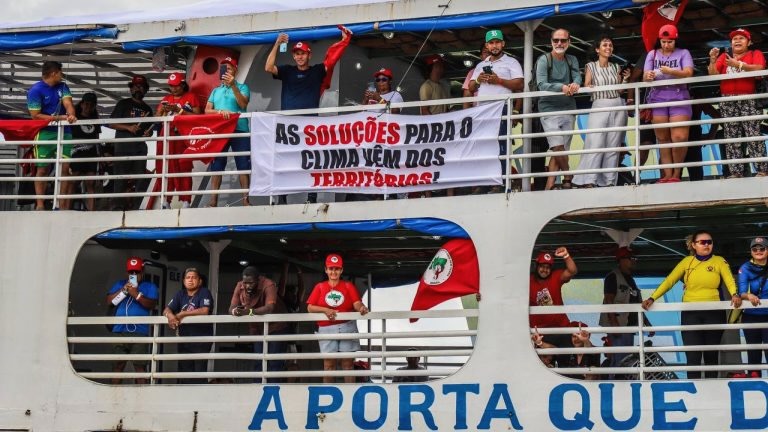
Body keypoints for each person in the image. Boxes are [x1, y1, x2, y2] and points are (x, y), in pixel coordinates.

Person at [642, 230, 742, 379]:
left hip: (714, 312)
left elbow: (729, 279)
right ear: (694, 245)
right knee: (693, 355)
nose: (706, 245)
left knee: (711, 355)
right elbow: (670, 281)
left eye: (709, 242)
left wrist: (734, 294)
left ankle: (711, 387)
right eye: (702, 242)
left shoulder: (719, 261)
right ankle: (693, 388)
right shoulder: (686, 262)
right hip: (690, 313)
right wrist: (652, 298)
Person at [707, 28, 768, 178]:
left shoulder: (755, 54)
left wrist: (738, 65)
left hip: (748, 98)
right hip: (728, 100)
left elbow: (760, 68)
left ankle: (762, 170)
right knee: (731, 136)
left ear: (749, 42)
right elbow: (713, 74)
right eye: (735, 39)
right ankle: (736, 172)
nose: (737, 41)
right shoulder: (725, 56)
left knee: (753, 134)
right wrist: (713, 60)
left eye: (741, 38)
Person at [468, 29, 525, 186]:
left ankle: (501, 183)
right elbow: (471, 88)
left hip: (502, 108)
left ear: (503, 44)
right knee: (483, 147)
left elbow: (520, 84)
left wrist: (499, 81)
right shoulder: (481, 65)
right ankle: (485, 183)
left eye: (497, 42)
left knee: (501, 146)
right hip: (482, 110)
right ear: (487, 45)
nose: (494, 46)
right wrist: (478, 80)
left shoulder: (511, 62)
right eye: (491, 43)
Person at [572, 35, 629, 188]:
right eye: (605, 45)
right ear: (597, 49)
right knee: (595, 143)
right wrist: (590, 87)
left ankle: (609, 181)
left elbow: (620, 90)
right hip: (600, 104)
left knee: (613, 145)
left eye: (610, 45)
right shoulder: (591, 66)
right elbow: (587, 84)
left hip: (617, 104)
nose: (608, 48)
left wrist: (625, 79)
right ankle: (589, 179)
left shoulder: (616, 67)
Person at [306, 253, 369, 383]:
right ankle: (328, 393)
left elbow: (356, 303)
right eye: (331, 268)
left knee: (348, 364)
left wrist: (362, 308)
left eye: (337, 269)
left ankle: (349, 392)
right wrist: (326, 310)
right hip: (326, 328)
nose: (333, 272)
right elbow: (310, 307)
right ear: (326, 270)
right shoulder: (320, 286)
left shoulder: (348, 286)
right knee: (329, 365)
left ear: (341, 270)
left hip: (347, 326)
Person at [642, 24, 694, 183]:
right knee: (663, 138)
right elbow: (645, 76)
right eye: (663, 42)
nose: (666, 45)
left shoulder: (683, 53)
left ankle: (676, 174)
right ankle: (667, 174)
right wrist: (648, 76)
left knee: (679, 137)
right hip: (657, 98)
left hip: (679, 96)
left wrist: (671, 71)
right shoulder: (652, 54)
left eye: (670, 42)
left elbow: (689, 73)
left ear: (675, 40)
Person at [26, 60, 77, 211]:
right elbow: (35, 115)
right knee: (42, 169)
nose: (62, 76)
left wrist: (71, 114)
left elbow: (68, 103)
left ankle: (62, 205)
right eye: (60, 73)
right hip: (45, 132)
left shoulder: (63, 86)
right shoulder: (35, 90)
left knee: (65, 168)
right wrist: (59, 118)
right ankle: (40, 205)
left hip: (65, 132)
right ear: (54, 73)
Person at [535, 28, 582, 190]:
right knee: (557, 146)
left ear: (569, 42)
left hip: (569, 108)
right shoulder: (544, 59)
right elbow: (541, 84)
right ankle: (568, 176)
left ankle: (549, 186)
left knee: (560, 150)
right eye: (556, 40)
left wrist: (576, 84)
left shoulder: (572, 59)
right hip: (548, 109)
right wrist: (561, 87)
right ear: (551, 42)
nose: (559, 43)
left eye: (563, 40)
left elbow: (577, 76)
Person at [204, 57, 251, 207]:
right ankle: (213, 202)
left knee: (243, 164)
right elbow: (207, 111)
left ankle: (246, 200)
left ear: (235, 71)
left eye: (229, 69)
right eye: (224, 69)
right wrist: (220, 111)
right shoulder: (216, 90)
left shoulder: (243, 87)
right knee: (217, 165)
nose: (226, 71)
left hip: (240, 129)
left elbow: (243, 104)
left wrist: (233, 86)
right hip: (220, 130)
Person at [229, 266, 289, 382]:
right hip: (257, 328)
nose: (247, 286)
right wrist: (235, 311)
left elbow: (269, 308)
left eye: (251, 283)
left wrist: (249, 312)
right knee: (258, 360)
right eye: (245, 283)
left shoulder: (268, 284)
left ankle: (274, 389)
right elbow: (231, 307)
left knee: (275, 362)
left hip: (277, 326)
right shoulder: (240, 285)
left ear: (258, 280)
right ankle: (258, 389)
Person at [105, 257, 159, 384]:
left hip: (140, 331)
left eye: (137, 272)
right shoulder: (120, 284)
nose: (134, 275)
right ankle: (114, 395)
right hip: (119, 330)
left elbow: (151, 305)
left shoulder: (150, 286)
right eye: (131, 272)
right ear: (127, 272)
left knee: (140, 367)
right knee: (117, 365)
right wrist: (124, 290)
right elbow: (109, 302)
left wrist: (136, 294)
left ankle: (142, 395)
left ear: (142, 271)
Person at [600, 247, 653, 375]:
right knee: (619, 361)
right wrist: (614, 324)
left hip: (629, 327)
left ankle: (621, 383)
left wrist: (647, 324)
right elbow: (608, 300)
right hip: (619, 326)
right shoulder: (612, 277)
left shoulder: (630, 279)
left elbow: (637, 305)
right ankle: (614, 384)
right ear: (621, 260)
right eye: (631, 258)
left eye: (634, 258)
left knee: (625, 360)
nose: (634, 261)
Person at [154, 72, 201, 209]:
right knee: (164, 167)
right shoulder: (166, 98)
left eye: (176, 86)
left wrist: (179, 111)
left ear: (183, 85)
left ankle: (186, 200)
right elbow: (157, 118)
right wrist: (162, 111)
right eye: (171, 86)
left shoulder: (191, 97)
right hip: (166, 137)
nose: (173, 89)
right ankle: (165, 201)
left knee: (184, 167)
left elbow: (198, 117)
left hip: (182, 137)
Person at [109, 75, 154, 211]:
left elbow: (150, 129)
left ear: (145, 89)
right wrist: (128, 128)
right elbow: (111, 123)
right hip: (123, 147)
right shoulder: (123, 103)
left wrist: (149, 133)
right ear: (131, 89)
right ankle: (117, 206)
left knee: (140, 178)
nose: (138, 89)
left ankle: (138, 207)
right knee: (120, 178)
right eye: (135, 86)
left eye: (141, 87)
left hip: (140, 148)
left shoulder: (148, 109)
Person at [164, 268, 214, 384]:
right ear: (183, 281)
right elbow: (166, 310)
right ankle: (184, 395)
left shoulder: (204, 292)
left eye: (194, 277)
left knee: (199, 373)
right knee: (184, 372)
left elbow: (204, 310)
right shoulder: (180, 294)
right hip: (184, 339)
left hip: (201, 340)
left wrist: (183, 314)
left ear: (200, 281)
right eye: (188, 277)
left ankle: (199, 396)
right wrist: (170, 316)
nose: (190, 280)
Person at [529, 247, 578, 351]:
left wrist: (566, 255)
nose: (545, 270)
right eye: (542, 266)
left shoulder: (555, 276)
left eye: (548, 267)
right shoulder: (528, 281)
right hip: (539, 332)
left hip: (561, 328)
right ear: (536, 266)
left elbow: (572, 271)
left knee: (566, 357)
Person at [737, 237, 768, 378]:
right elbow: (742, 291)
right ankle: (755, 384)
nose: (758, 251)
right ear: (751, 251)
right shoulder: (745, 268)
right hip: (751, 316)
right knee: (753, 352)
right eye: (755, 249)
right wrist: (748, 296)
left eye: (762, 248)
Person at [70, 92, 101, 211]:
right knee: (74, 183)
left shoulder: (95, 120)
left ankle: (92, 212)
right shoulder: (74, 117)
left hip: (91, 154)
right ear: (82, 104)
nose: (88, 107)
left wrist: (100, 156)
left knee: (90, 184)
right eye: (87, 104)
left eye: (92, 105)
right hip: (76, 153)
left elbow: (97, 138)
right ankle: (67, 210)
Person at [462, 44, 491, 109]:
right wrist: (466, 113)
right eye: (485, 52)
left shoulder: (501, 68)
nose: (487, 54)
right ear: (481, 56)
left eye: (489, 52)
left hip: (497, 106)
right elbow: (467, 95)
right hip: (479, 108)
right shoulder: (472, 72)